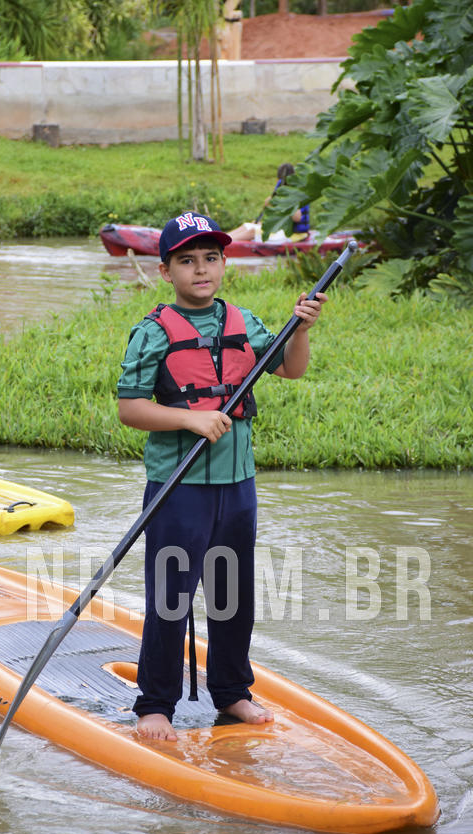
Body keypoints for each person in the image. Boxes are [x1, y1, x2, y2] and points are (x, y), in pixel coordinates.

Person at [117, 211, 327, 742]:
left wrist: (300, 329)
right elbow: (130, 409)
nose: (201, 269)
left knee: (233, 594)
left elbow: (292, 368)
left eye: (210, 258)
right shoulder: (151, 332)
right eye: (186, 261)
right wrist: (189, 417)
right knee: (172, 596)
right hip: (178, 487)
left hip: (237, 485)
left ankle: (231, 692)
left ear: (223, 262)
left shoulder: (243, 320)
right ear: (166, 271)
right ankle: (154, 703)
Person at [227, 162, 310, 243]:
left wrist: (285, 200)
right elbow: (267, 205)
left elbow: (297, 217)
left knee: (252, 231)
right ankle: (217, 240)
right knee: (247, 225)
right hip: (279, 228)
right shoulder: (281, 184)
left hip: (294, 234)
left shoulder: (298, 190)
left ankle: (223, 243)